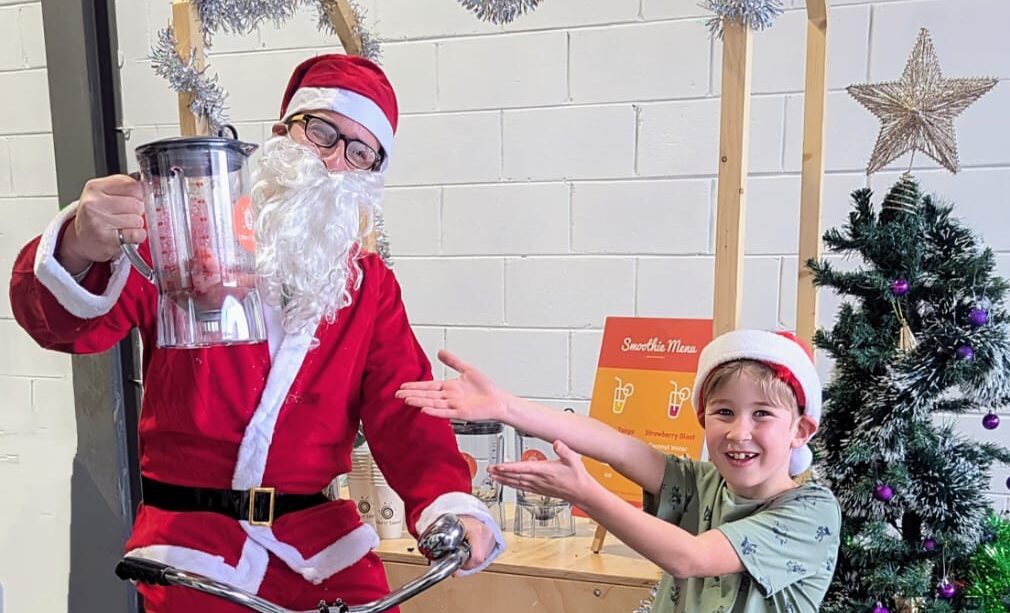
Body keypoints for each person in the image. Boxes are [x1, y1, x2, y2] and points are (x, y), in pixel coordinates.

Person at [9, 53, 503, 612]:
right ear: (281, 135)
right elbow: (66, 327)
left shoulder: (368, 287)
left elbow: (404, 406)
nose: (333, 161)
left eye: (360, 152)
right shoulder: (187, 240)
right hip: (195, 548)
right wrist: (81, 242)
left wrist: (449, 503)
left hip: (317, 550)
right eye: (321, 131)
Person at [397, 329, 841, 612]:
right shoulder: (705, 484)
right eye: (724, 412)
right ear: (704, 420)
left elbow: (691, 558)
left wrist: (585, 494)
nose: (739, 432)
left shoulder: (810, 511)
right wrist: (507, 407)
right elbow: (614, 445)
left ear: (800, 430)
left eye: (762, 414)